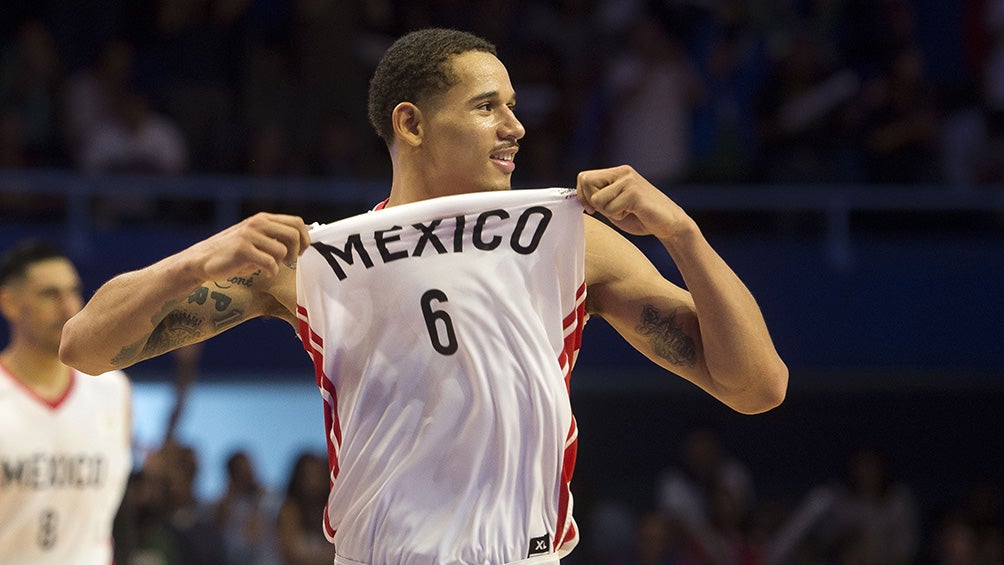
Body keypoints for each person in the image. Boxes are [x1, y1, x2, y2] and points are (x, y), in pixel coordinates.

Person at [59, 27, 788, 565]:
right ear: (409, 122)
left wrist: (683, 233)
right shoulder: (316, 258)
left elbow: (756, 387)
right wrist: (191, 263)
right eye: (487, 107)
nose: (516, 126)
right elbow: (84, 347)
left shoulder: (569, 239)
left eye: (512, 105)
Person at [0, 239, 132, 564]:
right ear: (10, 303)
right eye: (50, 294)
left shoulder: (113, 389)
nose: (69, 307)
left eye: (73, 292)